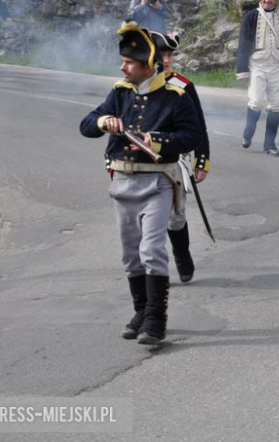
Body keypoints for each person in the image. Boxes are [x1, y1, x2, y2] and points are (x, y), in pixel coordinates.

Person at [79, 22, 201, 345]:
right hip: (122, 181)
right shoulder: (119, 92)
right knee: (130, 255)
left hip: (158, 183)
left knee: (152, 250)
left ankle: (156, 322)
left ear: (147, 65)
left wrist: (157, 140)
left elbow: (191, 136)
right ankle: (141, 311)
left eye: (129, 62)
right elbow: (87, 124)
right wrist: (104, 121)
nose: (122, 67)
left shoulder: (175, 95)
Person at [150, 30, 211, 284]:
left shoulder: (183, 85)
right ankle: (155, 269)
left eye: (169, 54)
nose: (166, 59)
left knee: (176, 217)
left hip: (175, 159)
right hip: (141, 162)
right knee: (148, 219)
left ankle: (181, 251)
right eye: (160, 54)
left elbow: (199, 126)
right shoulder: (133, 87)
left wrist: (202, 160)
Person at [236, 0, 279, 156]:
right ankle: (248, 133)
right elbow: (244, 44)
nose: (266, 0)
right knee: (255, 102)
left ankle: (270, 143)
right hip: (257, 65)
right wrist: (242, 70)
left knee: (276, 105)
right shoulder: (251, 17)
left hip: (276, 66)